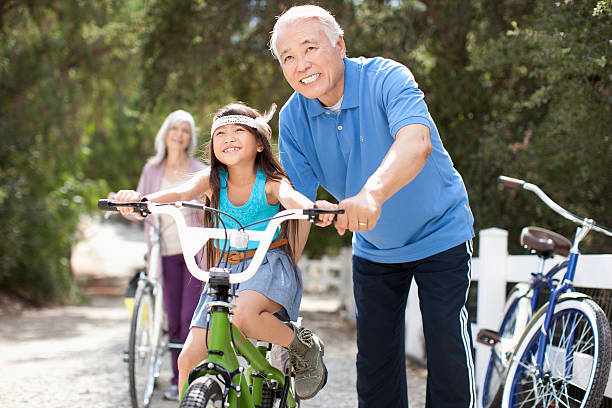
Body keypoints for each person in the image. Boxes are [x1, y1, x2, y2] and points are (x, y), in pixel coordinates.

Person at [270, 5, 476, 408]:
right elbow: (294, 202)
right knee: (376, 362)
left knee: (445, 342)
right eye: (288, 57)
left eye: (310, 48)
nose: (301, 65)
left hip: (440, 232)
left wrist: (371, 194)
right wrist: (274, 275)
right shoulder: (294, 117)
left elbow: (416, 142)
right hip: (375, 248)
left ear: (339, 44)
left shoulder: (387, 77)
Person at [114, 102, 336, 401]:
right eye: (220, 133)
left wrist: (313, 209)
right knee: (188, 359)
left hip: (266, 264)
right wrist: (141, 200)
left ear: (259, 143)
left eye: (238, 131)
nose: (228, 137)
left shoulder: (271, 182)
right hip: (224, 270)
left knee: (244, 317)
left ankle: (302, 347)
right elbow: (180, 194)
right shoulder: (212, 179)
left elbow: (292, 197)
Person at [113, 110, 206, 401]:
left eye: (185, 130)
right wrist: (125, 205)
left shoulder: (199, 168)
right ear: (165, 134)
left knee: (189, 316)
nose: (179, 134)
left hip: (194, 253)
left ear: (190, 138)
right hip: (162, 254)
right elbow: (141, 210)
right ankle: (176, 379)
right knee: (172, 319)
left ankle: (190, 379)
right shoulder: (152, 170)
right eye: (174, 129)